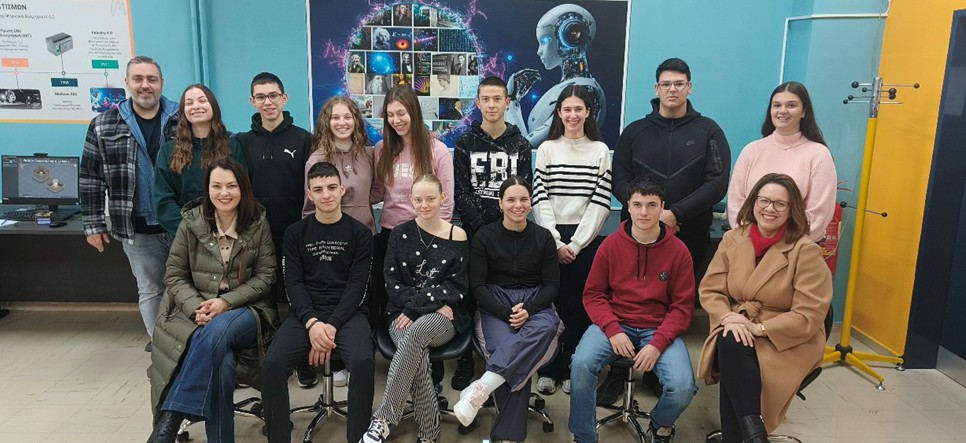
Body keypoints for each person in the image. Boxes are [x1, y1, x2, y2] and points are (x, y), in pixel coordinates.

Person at [603, 57, 730, 404]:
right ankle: (618, 371)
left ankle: (657, 369)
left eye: (679, 83)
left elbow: (717, 182)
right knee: (625, 298)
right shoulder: (635, 132)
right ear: (656, 89)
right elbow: (619, 179)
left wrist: (676, 214)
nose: (672, 89)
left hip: (689, 232)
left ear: (690, 87)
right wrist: (648, 213)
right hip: (636, 234)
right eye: (665, 84)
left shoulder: (709, 131)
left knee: (673, 302)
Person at [147, 157, 279, 443]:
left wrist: (225, 302)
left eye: (231, 186)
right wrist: (197, 306)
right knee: (222, 364)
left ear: (243, 188)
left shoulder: (257, 223)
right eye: (216, 186)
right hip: (196, 309)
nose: (224, 193)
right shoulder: (191, 223)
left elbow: (266, 277)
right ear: (207, 189)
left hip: (245, 309)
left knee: (217, 329)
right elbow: (174, 275)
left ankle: (171, 416)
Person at [697, 173, 832, 443]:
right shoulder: (733, 239)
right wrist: (728, 318)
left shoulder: (805, 250)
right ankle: (754, 436)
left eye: (780, 204)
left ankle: (745, 436)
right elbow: (711, 290)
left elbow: (808, 315)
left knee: (731, 350)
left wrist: (758, 328)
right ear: (753, 202)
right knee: (730, 339)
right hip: (738, 322)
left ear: (792, 210)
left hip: (787, 337)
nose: (770, 209)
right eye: (764, 200)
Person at [569, 176, 697, 443]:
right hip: (615, 323)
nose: (644, 212)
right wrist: (613, 330)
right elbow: (593, 295)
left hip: (658, 327)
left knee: (683, 387)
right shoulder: (610, 245)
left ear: (663, 207)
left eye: (652, 205)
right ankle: (584, 436)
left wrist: (657, 344)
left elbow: (682, 307)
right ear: (628, 206)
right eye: (637, 205)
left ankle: (660, 424)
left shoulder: (679, 251)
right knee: (581, 364)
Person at [262, 161, 376, 443]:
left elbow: (357, 288)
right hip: (306, 314)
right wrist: (313, 325)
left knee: (362, 362)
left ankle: (358, 437)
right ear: (309, 194)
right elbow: (293, 286)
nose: (326, 195)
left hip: (348, 314)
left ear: (342, 190)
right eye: (318, 189)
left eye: (331, 187)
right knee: (273, 363)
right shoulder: (295, 233)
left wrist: (331, 326)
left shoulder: (361, 234)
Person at [453, 176, 562, 442]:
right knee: (510, 354)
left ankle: (482, 388)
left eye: (524, 199)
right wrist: (505, 312)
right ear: (500, 203)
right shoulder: (484, 236)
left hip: (535, 302)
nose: (518, 205)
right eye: (511, 200)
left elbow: (552, 285)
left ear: (531, 203)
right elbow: (477, 286)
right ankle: (507, 438)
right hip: (495, 303)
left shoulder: (544, 237)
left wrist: (530, 309)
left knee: (549, 326)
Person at [361, 174, 469, 443]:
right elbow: (392, 284)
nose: (424, 205)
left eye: (431, 198)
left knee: (415, 335)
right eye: (418, 199)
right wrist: (429, 303)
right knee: (415, 352)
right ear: (410, 199)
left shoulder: (457, 235)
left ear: (443, 198)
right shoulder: (399, 234)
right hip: (402, 313)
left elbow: (456, 287)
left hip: (443, 317)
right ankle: (429, 434)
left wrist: (421, 307)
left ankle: (384, 419)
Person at [81, 56, 179, 351]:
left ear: (162, 83)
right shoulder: (103, 124)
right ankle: (163, 352)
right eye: (138, 79)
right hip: (136, 228)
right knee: (151, 290)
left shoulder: (182, 118)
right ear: (127, 83)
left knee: (188, 288)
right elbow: (91, 177)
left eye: (152, 79)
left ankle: (188, 348)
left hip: (181, 224)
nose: (145, 85)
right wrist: (93, 224)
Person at [451, 76, 534, 389]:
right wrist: (483, 230)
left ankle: (500, 356)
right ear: (477, 103)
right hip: (474, 236)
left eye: (497, 99)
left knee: (502, 293)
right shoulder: (465, 144)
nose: (491, 105)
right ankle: (464, 359)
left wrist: (502, 228)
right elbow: (461, 191)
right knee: (468, 294)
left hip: (510, 235)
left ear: (507, 102)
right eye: (485, 99)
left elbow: (522, 192)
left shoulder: (520, 145)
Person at [370, 87, 455, 383]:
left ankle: (428, 365)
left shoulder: (437, 150)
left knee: (427, 300)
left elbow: (446, 202)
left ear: (414, 112)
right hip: (391, 236)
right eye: (390, 115)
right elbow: (377, 192)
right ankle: (414, 365)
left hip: (428, 237)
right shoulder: (381, 149)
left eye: (401, 113)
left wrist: (438, 241)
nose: (396, 120)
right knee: (398, 303)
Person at [236, 72, 316, 387]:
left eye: (273, 95)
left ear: (284, 98)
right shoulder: (242, 142)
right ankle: (268, 361)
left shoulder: (304, 139)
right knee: (263, 299)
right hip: (257, 236)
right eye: (261, 96)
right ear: (251, 101)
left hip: (296, 234)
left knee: (298, 297)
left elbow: (311, 189)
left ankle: (303, 359)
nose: (267, 102)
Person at [531, 85, 612, 395]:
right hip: (550, 238)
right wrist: (555, 241)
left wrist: (576, 244)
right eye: (567, 109)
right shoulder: (547, 149)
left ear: (588, 112)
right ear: (559, 113)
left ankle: (570, 368)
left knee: (579, 307)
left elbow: (600, 202)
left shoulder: (599, 151)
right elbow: (540, 198)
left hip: (584, 241)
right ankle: (548, 368)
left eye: (579, 109)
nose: (573, 115)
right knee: (551, 306)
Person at [727, 81, 836, 242]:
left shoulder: (819, 154)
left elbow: (818, 214)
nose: (782, 111)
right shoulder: (751, 150)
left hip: (795, 247)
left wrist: (781, 245)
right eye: (777, 105)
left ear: (804, 111)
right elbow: (736, 204)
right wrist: (751, 240)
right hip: (748, 244)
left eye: (791, 105)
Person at [506, 3, 606, 147]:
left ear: (569, 37)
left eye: (545, 40)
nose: (539, 51)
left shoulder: (585, 91)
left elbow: (524, 148)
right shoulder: (570, 88)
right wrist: (513, 102)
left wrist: (511, 101)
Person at [153, 84, 248, 234]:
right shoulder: (169, 150)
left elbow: (244, 192)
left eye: (202, 101)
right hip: (185, 235)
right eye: (189, 103)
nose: (196, 106)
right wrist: (191, 229)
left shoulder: (233, 147)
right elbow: (163, 200)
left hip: (227, 233)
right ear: (183, 111)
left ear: (213, 106)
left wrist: (223, 228)